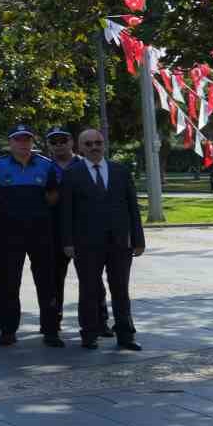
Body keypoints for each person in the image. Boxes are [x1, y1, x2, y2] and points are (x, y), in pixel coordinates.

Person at [59, 129, 144, 350]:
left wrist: (138, 239)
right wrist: (67, 242)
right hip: (85, 243)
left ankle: (126, 336)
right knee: (88, 290)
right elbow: (66, 211)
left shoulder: (120, 171)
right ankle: (89, 334)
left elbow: (132, 207)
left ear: (104, 144)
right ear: (80, 148)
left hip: (119, 243)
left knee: (121, 290)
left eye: (98, 143)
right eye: (88, 144)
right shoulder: (71, 173)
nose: (94, 147)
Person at [0, 124, 62, 346]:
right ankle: (8, 330)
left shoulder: (46, 165)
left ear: (32, 141)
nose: (23, 144)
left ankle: (50, 331)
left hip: (40, 233)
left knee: (47, 282)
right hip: (8, 234)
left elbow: (53, 195)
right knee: (8, 283)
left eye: (27, 139)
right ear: (10, 143)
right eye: (18, 140)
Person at [45, 125, 110, 338]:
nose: (59, 145)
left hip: (84, 232)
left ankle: (100, 321)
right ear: (49, 146)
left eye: (63, 140)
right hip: (54, 231)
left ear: (73, 143)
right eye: (54, 142)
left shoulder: (86, 165)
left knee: (94, 280)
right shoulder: (44, 167)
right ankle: (53, 323)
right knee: (54, 280)